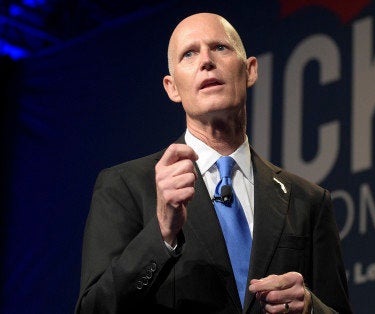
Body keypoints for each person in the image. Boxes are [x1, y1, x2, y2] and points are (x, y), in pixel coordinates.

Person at [75, 12, 352, 314]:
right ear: (172, 88)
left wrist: (311, 308)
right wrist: (162, 234)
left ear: (250, 71)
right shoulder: (127, 186)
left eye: (220, 47)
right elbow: (94, 309)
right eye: (189, 54)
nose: (206, 60)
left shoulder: (308, 201)